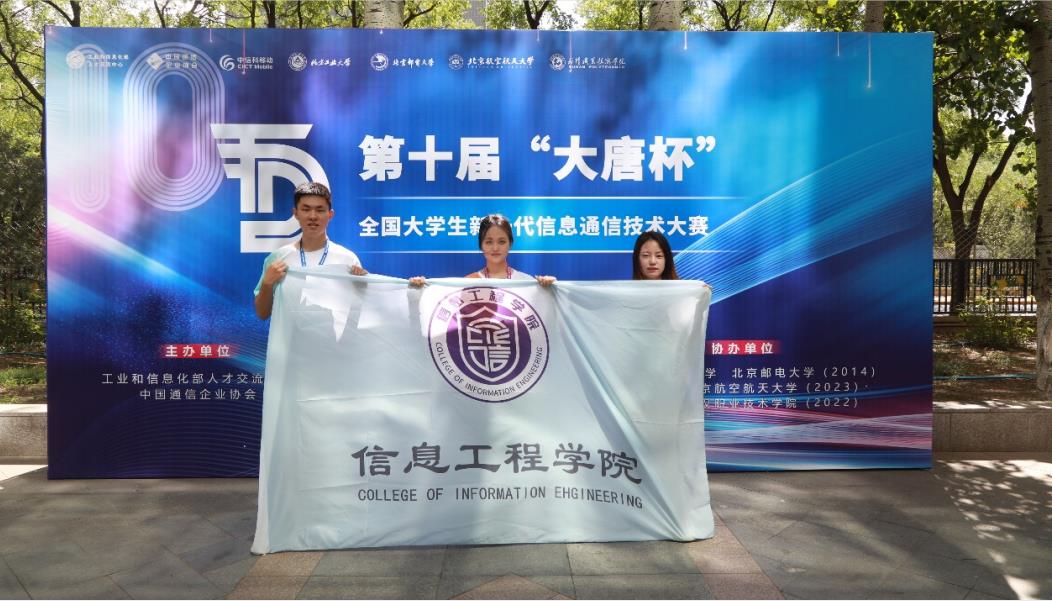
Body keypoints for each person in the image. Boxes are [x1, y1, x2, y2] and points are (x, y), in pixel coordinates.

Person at [254, 182, 367, 319]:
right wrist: (267, 284)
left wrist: (362, 288)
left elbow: (360, 313)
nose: (313, 216)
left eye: (320, 210)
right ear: (295, 213)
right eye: (306, 209)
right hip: (287, 334)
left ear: (330, 214)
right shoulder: (279, 257)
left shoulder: (347, 259)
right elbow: (262, 314)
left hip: (331, 334)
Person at [465, 214, 555, 286]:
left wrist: (548, 290)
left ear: (510, 244)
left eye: (501, 242)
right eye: (489, 242)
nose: (495, 248)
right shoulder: (468, 283)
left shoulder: (525, 281)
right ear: (481, 245)